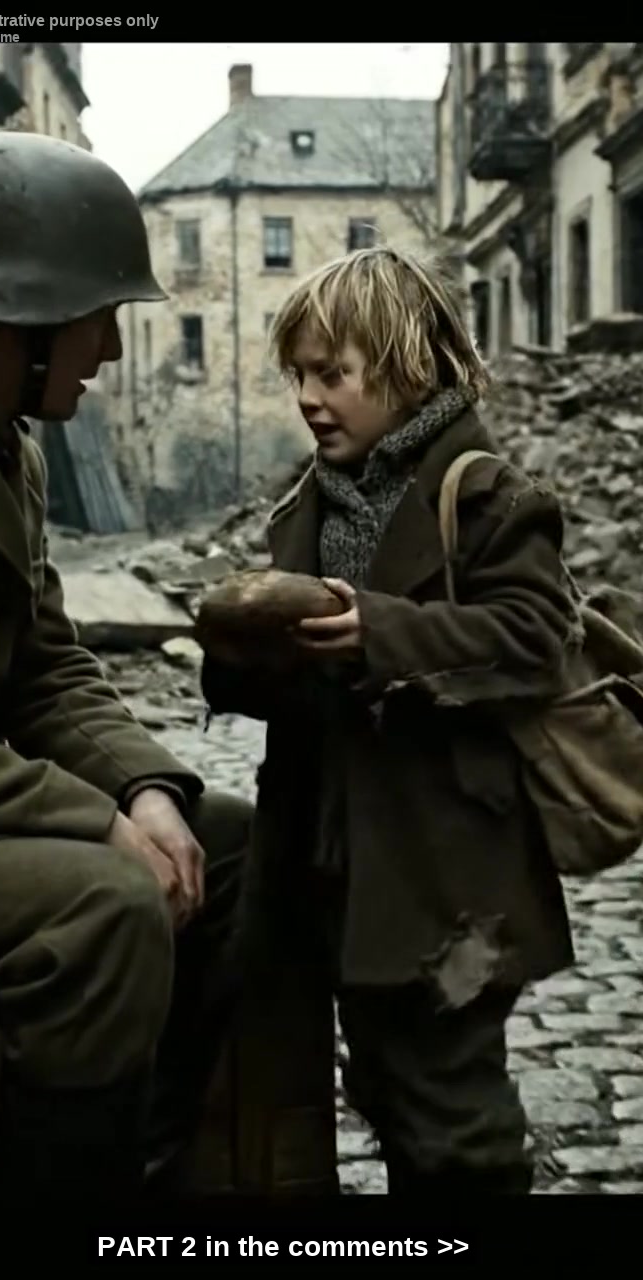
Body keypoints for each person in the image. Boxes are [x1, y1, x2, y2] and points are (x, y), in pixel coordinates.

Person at [201, 246, 578, 1195]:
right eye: (300, 375)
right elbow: (299, 687)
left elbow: (535, 641)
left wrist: (381, 632)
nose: (310, 398)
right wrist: (244, 655)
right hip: (327, 861)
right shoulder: (311, 503)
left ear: (408, 367)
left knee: (454, 1116)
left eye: (333, 373)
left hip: (447, 874)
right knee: (379, 1079)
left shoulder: (485, 493)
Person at [0, 131, 251, 1199]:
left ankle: (156, 1171)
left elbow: (45, 663)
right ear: (14, 317)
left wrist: (145, 788)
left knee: (232, 838)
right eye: (97, 315)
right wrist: (93, 821)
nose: (110, 347)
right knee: (105, 905)